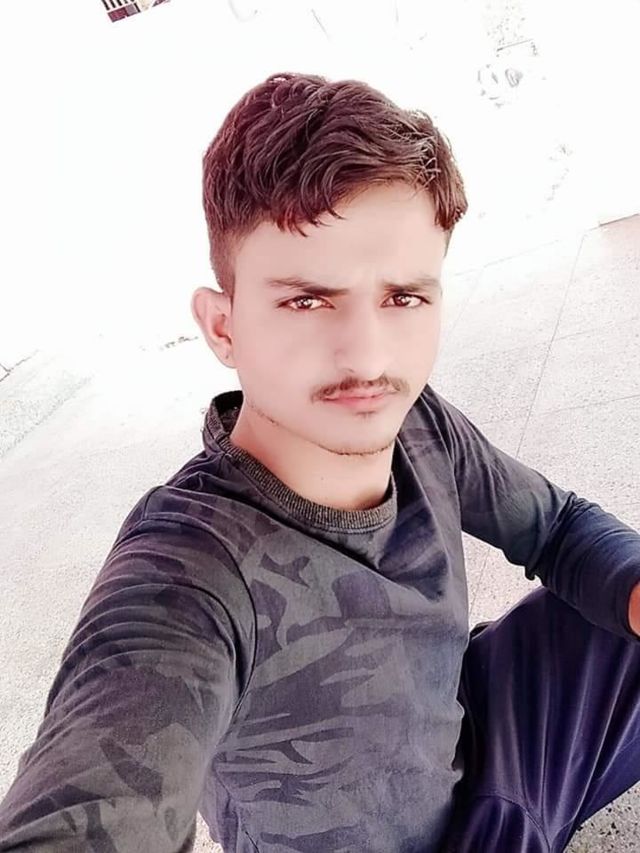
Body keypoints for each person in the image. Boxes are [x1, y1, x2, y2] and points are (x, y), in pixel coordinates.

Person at [0, 70, 639, 853]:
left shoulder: (422, 424)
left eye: (403, 297)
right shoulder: (187, 574)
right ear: (223, 326)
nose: (368, 356)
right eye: (307, 300)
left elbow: (558, 526)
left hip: (484, 757)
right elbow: (87, 798)